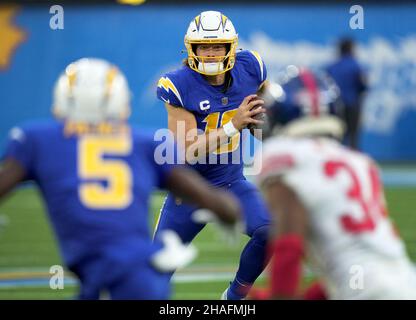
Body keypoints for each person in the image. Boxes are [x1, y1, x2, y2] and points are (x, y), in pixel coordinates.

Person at [0, 58, 241, 300]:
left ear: (62, 100)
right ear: (121, 102)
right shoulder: (145, 143)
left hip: (114, 277)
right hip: (140, 278)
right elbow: (214, 200)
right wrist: (229, 213)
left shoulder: (36, 140)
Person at [250, 67, 416, 299]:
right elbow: (346, 280)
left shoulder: (283, 156)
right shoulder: (360, 162)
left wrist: (277, 296)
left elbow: (288, 247)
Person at [154, 11, 271, 300]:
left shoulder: (252, 68)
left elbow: (261, 119)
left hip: (231, 183)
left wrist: (263, 126)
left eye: (217, 45)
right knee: (154, 275)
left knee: (270, 232)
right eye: (203, 47)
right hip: (188, 189)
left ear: (231, 47)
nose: (210, 53)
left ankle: (234, 298)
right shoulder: (178, 84)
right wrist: (234, 126)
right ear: (191, 49)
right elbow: (189, 149)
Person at [326, 37, 368, 150]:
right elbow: (363, 87)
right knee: (353, 137)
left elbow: (326, 87)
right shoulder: (356, 66)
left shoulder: (331, 67)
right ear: (351, 49)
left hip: (335, 108)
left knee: (335, 137)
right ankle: (353, 163)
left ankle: (333, 162)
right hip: (352, 106)